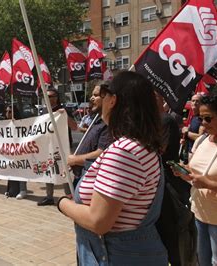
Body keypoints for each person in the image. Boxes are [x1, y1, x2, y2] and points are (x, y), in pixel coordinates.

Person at [58, 71, 167, 265]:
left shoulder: (124, 152)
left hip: (113, 255)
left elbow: (98, 222)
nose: (98, 99)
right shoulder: (142, 144)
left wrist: (63, 204)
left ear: (113, 101)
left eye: (103, 95)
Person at [172, 92, 217, 266]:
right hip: (199, 213)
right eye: (200, 118)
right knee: (202, 260)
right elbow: (196, 171)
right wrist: (184, 171)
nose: (203, 124)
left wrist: (209, 184)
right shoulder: (202, 140)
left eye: (208, 118)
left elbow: (207, 180)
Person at [155, 92, 191, 266]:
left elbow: (158, 149)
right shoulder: (153, 121)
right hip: (160, 182)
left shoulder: (165, 120)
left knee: (173, 235)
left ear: (160, 99)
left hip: (168, 184)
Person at [67, 82, 113, 188]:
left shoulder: (108, 124)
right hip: (80, 176)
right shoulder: (96, 120)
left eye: (96, 95)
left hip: (91, 180)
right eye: (92, 95)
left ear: (109, 99)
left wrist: (75, 160)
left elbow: (101, 154)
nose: (92, 98)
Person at [37, 88, 78, 206]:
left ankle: (69, 196)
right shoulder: (43, 111)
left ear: (57, 97)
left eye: (52, 96)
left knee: (65, 170)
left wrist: (64, 116)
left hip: (63, 146)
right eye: (47, 96)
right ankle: (49, 197)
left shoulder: (64, 110)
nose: (49, 99)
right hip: (48, 146)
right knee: (48, 170)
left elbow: (74, 126)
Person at [4, 105, 28, 199]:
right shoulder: (4, 122)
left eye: (10, 111)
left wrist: (17, 123)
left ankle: (23, 190)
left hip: (21, 150)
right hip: (10, 151)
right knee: (11, 169)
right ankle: (11, 190)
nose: (8, 113)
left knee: (22, 169)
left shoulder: (21, 122)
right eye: (7, 111)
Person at [181, 93, 205, 164]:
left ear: (202, 103)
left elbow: (200, 138)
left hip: (197, 154)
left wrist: (187, 132)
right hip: (189, 152)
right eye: (193, 101)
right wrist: (185, 140)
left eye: (197, 101)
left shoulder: (203, 118)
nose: (194, 103)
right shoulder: (194, 117)